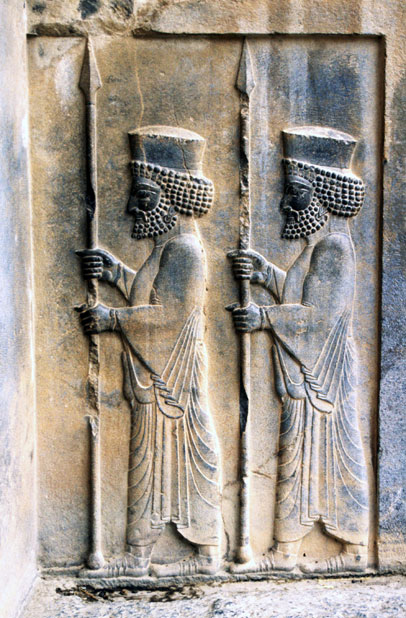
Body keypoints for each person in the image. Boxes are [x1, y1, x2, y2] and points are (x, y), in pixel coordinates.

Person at [77, 126, 222, 578]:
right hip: (156, 383)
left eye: (142, 196)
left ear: (172, 198)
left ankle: (204, 557)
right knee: (150, 465)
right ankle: (139, 556)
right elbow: (151, 296)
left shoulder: (185, 251)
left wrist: (112, 319)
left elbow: (167, 317)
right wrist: (116, 272)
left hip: (171, 383)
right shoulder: (167, 249)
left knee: (177, 464)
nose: (130, 207)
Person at [228, 126, 369, 574]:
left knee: (331, 464)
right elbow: (300, 294)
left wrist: (264, 318)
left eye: (297, 193)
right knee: (295, 461)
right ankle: (286, 552)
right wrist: (264, 273)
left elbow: (316, 318)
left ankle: (353, 552)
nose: (287, 203)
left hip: (322, 379)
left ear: (324, 196)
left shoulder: (334, 248)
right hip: (306, 380)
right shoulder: (317, 248)